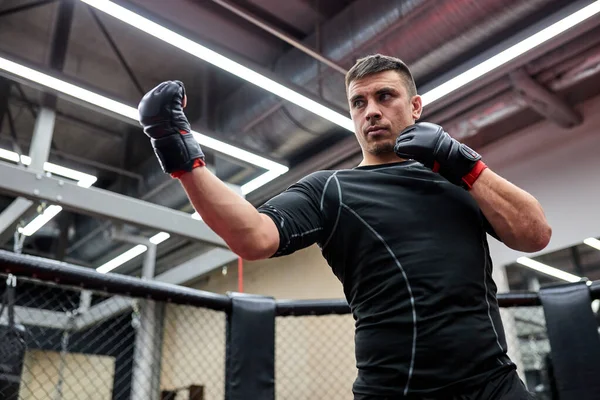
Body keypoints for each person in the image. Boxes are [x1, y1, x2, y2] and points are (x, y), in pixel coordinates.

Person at [137, 54, 551, 399]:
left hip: (493, 386)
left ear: (416, 107)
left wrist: (464, 164)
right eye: (358, 102)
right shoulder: (330, 189)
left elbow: (535, 235)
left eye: (385, 96)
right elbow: (253, 236)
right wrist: (178, 151)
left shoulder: (460, 180)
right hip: (394, 391)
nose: (370, 110)